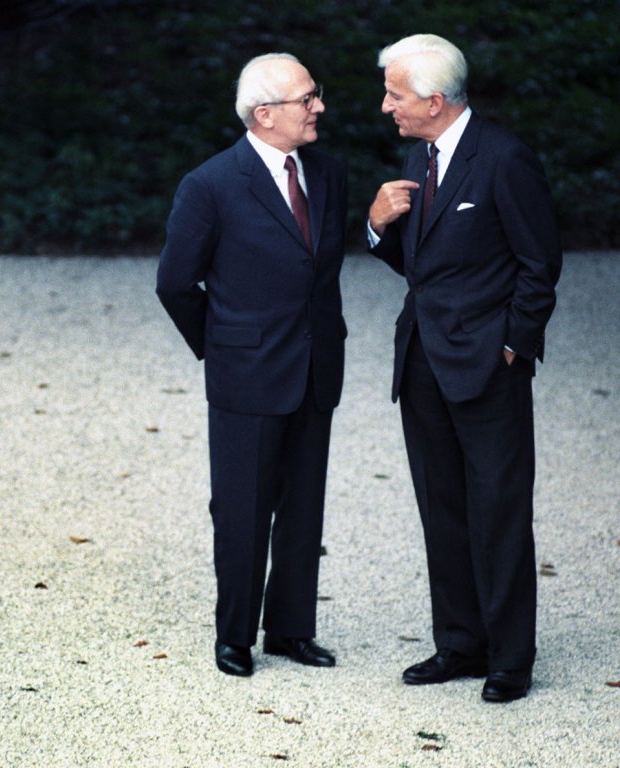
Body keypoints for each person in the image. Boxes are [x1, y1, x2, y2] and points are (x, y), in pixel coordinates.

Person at [367, 34, 561, 703]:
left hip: (488, 366)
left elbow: (540, 264)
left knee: (499, 510)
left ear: (434, 99)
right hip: (421, 358)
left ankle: (511, 659)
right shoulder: (413, 158)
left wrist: (514, 345)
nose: (387, 105)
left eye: (396, 93)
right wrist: (375, 227)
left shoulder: (504, 159)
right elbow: (419, 265)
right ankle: (459, 644)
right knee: (441, 507)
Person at [156, 53, 348, 677]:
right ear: (265, 115)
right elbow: (175, 283)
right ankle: (234, 635)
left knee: (303, 507)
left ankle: (291, 630)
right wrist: (223, 344)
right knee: (242, 509)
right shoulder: (210, 185)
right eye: (306, 98)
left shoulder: (329, 174)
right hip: (246, 374)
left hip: (316, 366)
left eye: (316, 94)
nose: (318, 105)